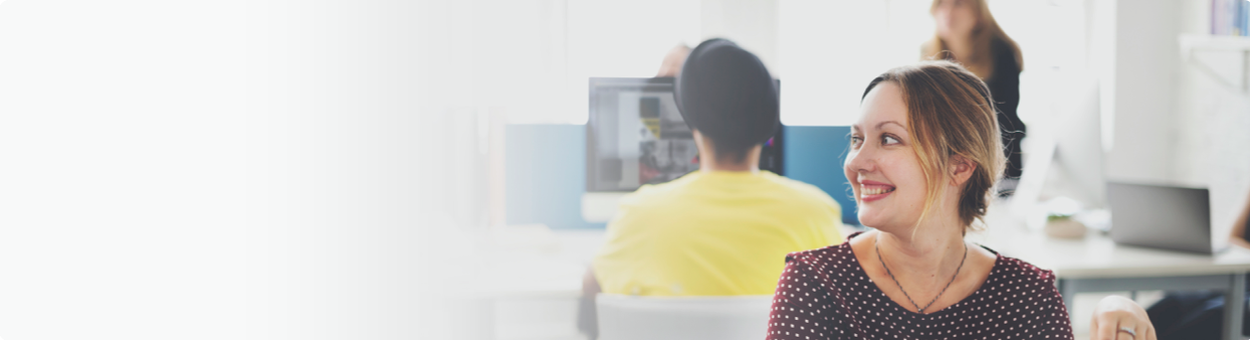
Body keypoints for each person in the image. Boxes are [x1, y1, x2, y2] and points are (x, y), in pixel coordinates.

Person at [766, 61, 1155, 340]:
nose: (857, 162)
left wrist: (1119, 312)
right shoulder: (817, 284)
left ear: (960, 166)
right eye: (857, 139)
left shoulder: (1026, 298)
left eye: (888, 139)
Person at [576, 39, 844, 339]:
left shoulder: (638, 214)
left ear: (690, 119)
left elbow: (591, 287)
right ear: (769, 123)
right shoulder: (814, 212)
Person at [923, 0, 1026, 183]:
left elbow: (1005, 120)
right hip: (947, 164)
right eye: (941, 4)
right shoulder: (927, 57)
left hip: (998, 160)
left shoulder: (1002, 53)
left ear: (978, 15)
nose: (947, 11)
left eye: (958, 4)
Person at [1143, 189, 1250, 340]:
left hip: (1242, 288)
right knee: (1174, 302)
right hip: (1242, 277)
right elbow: (1233, 239)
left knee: (1215, 314)